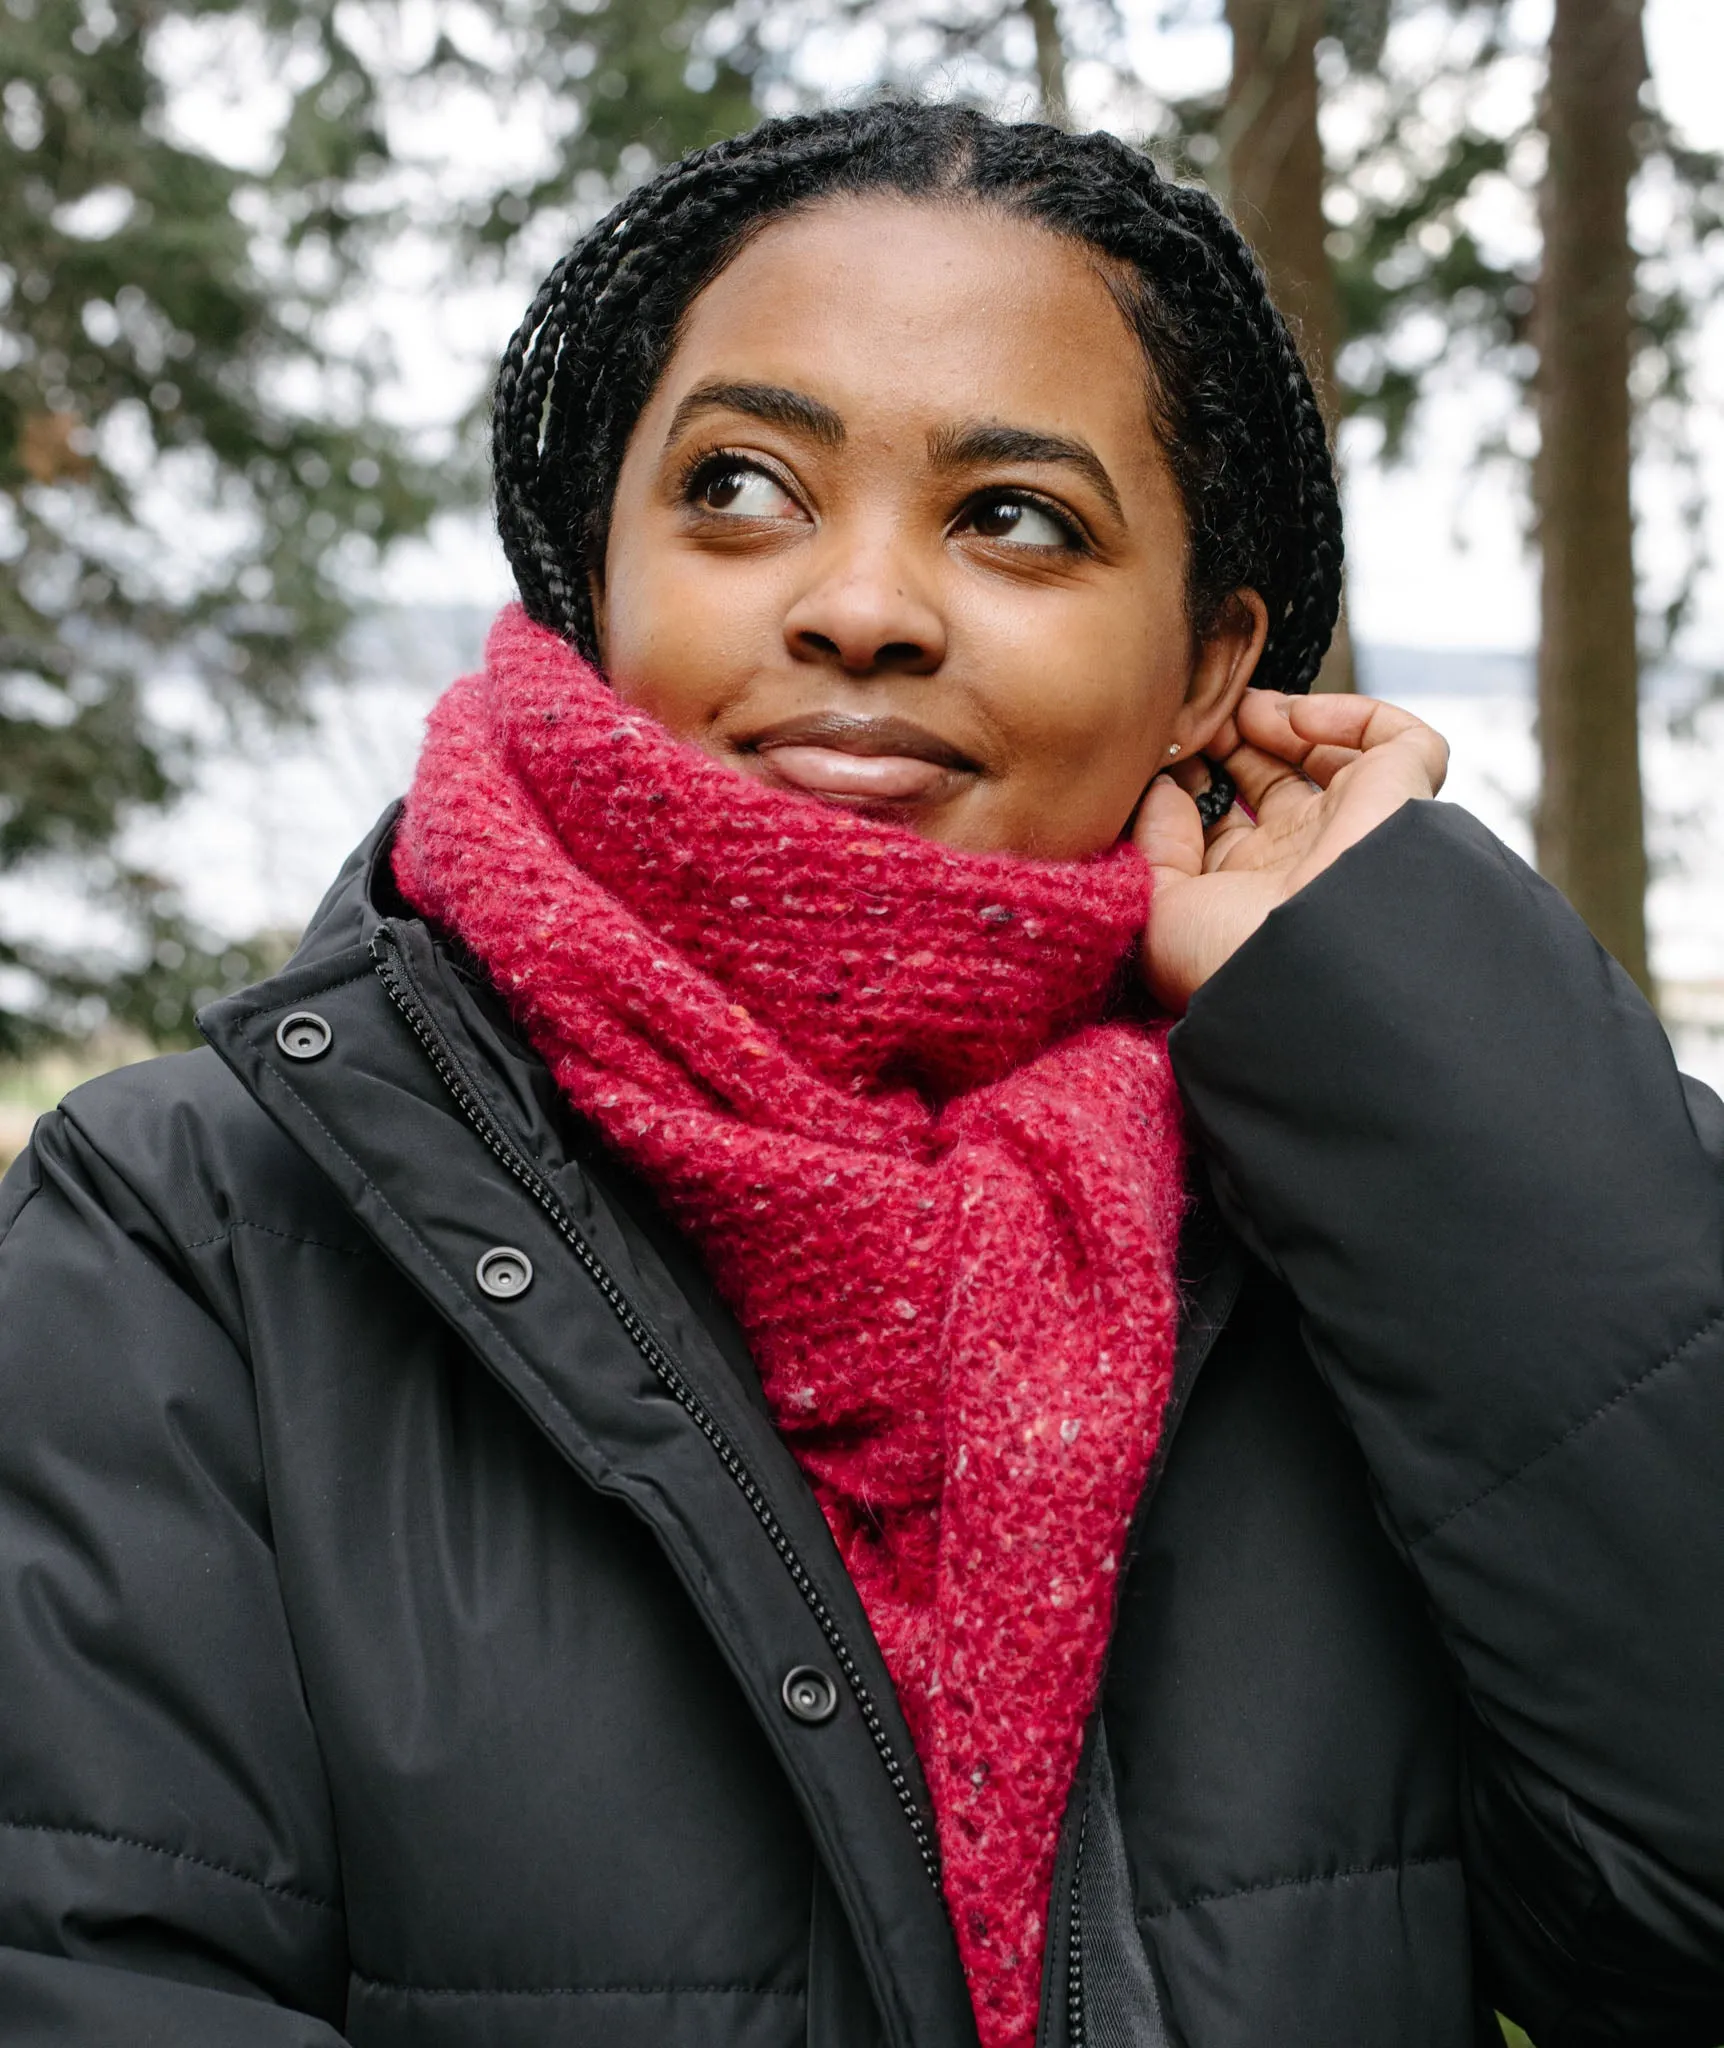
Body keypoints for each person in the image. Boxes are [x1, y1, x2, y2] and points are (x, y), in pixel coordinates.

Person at [0, 101, 1719, 2048]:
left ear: (1211, 663)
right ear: (598, 563)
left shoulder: (1354, 1209)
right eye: (739, 486)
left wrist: (1393, 1015)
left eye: (1011, 517)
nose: (860, 603)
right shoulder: (192, 1225)